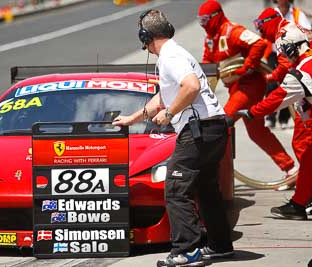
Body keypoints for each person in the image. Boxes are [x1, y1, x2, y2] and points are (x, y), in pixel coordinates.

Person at [113, 9, 234, 267]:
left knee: (176, 189)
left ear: (145, 36)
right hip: (214, 128)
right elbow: (162, 98)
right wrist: (131, 119)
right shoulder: (174, 54)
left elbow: (190, 86)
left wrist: (170, 113)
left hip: (197, 131)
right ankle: (220, 245)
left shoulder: (171, 56)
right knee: (206, 189)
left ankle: (187, 250)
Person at [198, 0, 297, 183]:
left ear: (215, 17)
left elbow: (259, 44)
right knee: (257, 132)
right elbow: (207, 62)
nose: (203, 24)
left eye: (205, 20)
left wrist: (248, 66)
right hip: (235, 88)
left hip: (249, 86)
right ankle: (290, 169)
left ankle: (213, 174)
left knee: (222, 122)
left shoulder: (232, 31)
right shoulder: (211, 38)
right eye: (200, 21)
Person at [237, 23, 312, 220]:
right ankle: (299, 204)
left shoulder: (300, 74)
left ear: (290, 48)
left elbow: (275, 100)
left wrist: (251, 112)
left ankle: (300, 204)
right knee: (308, 161)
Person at [255, 7, 312, 190]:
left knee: (303, 144)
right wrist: (272, 77)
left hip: (304, 90)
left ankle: (306, 188)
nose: (261, 31)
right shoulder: (290, 28)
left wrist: (252, 112)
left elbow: (287, 65)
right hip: (304, 88)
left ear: (270, 22)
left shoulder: (284, 35)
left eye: (262, 26)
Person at [264, 0, 311, 129]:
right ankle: (270, 117)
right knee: (272, 85)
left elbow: (307, 32)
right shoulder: (273, 12)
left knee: (288, 84)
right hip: (274, 53)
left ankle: (284, 118)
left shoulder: (297, 13)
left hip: (292, 54)